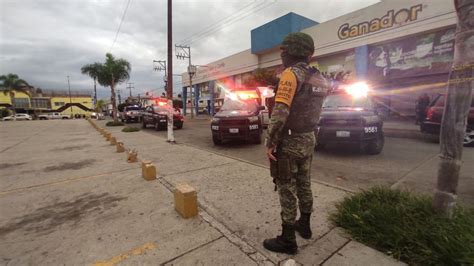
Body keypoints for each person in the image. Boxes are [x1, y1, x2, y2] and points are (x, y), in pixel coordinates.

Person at [263, 32, 329, 254]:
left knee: (286, 187)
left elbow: (280, 112)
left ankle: (288, 239)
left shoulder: (290, 75)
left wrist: (270, 142)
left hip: (290, 141)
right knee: (304, 182)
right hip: (309, 138)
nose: (282, 55)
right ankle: (305, 225)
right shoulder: (320, 78)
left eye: (284, 51)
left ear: (292, 51)